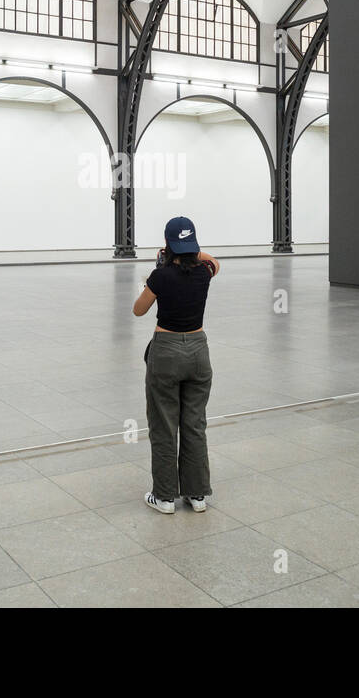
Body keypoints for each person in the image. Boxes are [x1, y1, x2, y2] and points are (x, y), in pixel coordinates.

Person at [132, 216, 220, 514]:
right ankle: (197, 496)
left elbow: (138, 310)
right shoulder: (205, 272)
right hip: (198, 352)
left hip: (166, 352)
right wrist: (193, 251)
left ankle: (165, 497)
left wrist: (162, 262)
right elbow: (213, 260)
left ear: (167, 244)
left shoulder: (160, 277)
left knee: (164, 426)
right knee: (194, 424)